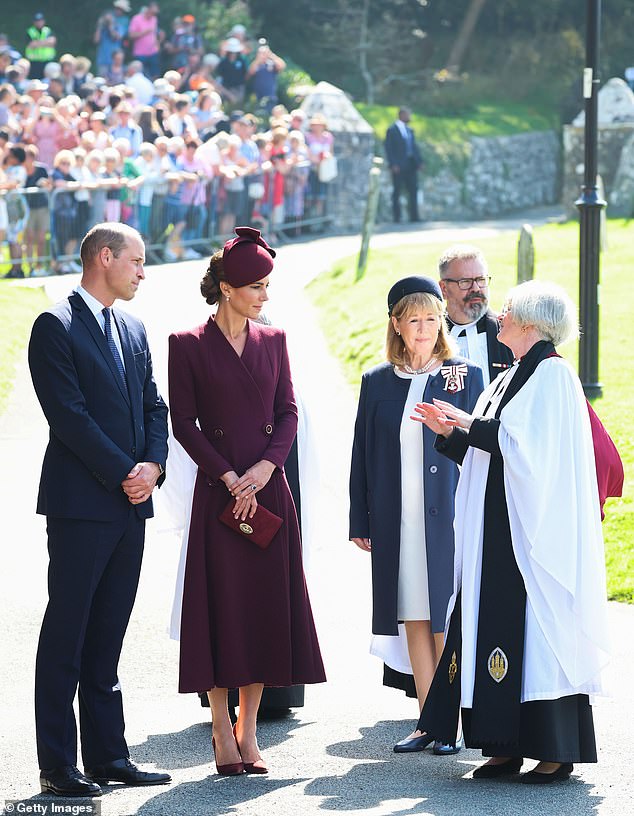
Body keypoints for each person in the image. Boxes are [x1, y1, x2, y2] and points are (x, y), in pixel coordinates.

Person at [412, 280, 610, 783]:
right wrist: (452, 434)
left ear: (531, 324)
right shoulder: (510, 376)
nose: (499, 317)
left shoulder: (553, 376)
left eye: (509, 313)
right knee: (491, 626)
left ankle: (554, 748)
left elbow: (529, 451)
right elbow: (491, 452)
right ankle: (503, 744)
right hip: (497, 526)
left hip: (529, 534)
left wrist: (467, 425)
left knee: (536, 633)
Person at [168, 226, 326, 776]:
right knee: (221, 612)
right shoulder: (185, 344)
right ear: (229, 288)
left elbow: (288, 412)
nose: (264, 295)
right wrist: (231, 475)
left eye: (266, 286)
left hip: (268, 494)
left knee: (260, 612)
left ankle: (249, 731)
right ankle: (219, 728)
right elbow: (182, 424)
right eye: (256, 286)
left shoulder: (275, 340)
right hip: (218, 496)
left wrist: (262, 470)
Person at [28, 223, 171, 797]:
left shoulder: (133, 327)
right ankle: (58, 765)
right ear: (104, 258)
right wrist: (123, 473)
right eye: (137, 261)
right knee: (68, 633)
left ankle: (109, 756)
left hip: (131, 505)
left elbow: (153, 407)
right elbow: (68, 417)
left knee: (108, 634)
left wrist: (152, 468)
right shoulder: (54, 325)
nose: (143, 271)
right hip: (82, 505)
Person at [349, 276, 483, 754]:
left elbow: (479, 449)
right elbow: (362, 454)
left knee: (447, 615)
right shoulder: (377, 382)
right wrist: (360, 521)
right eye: (413, 320)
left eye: (431, 318)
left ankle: (455, 722)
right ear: (397, 326)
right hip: (397, 521)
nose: (424, 328)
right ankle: (429, 719)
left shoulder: (464, 377)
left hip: (448, 518)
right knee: (415, 618)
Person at [438, 245, 514, 387]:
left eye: (481, 279)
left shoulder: (511, 333)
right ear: (444, 289)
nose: (476, 288)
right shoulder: (431, 337)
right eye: (465, 282)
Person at [384, 106, 422, 223]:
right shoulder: (392, 130)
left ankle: (414, 216)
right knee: (397, 191)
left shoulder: (409, 130)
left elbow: (413, 147)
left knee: (413, 190)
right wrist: (393, 164)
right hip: (399, 166)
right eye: (407, 114)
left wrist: (419, 162)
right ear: (401, 115)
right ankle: (397, 217)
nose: (409, 117)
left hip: (410, 165)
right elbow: (389, 148)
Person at [94, 1, 130, 79]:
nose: (118, 11)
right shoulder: (103, 27)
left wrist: (111, 25)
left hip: (115, 61)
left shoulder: (123, 21)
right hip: (103, 59)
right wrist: (100, 25)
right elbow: (96, 40)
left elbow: (118, 37)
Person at [25, 12, 57, 81]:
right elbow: (31, 45)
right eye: (37, 21)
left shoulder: (48, 30)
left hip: (47, 62)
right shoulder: (30, 31)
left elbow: (53, 42)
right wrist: (46, 42)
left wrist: (38, 43)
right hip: (34, 63)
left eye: (40, 20)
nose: (39, 22)